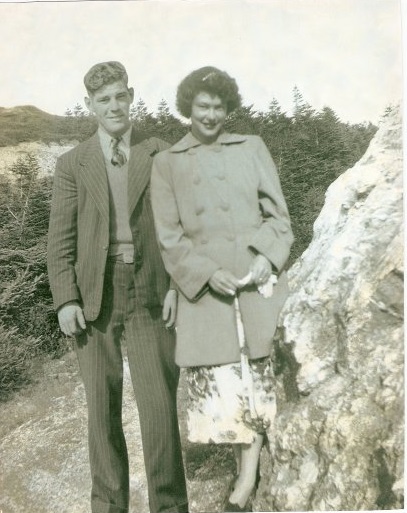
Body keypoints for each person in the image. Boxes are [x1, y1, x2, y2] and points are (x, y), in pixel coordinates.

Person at [47, 61, 188, 513]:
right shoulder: (73, 164)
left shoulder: (159, 152)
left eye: (119, 96)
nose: (113, 106)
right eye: (103, 99)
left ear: (132, 97)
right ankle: (108, 506)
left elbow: (182, 227)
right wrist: (66, 298)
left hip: (151, 291)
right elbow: (61, 238)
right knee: (101, 412)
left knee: (159, 409)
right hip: (95, 298)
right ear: (90, 106)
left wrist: (177, 287)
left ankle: (169, 506)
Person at [151, 66, 293, 512]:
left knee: (263, 373)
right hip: (209, 294)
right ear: (188, 109)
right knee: (228, 382)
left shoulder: (252, 148)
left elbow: (279, 218)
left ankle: (265, 466)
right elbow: (169, 239)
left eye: (218, 106)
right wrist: (207, 274)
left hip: (255, 285)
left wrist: (265, 256)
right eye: (202, 106)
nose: (210, 115)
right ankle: (247, 472)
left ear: (228, 108)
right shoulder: (168, 163)